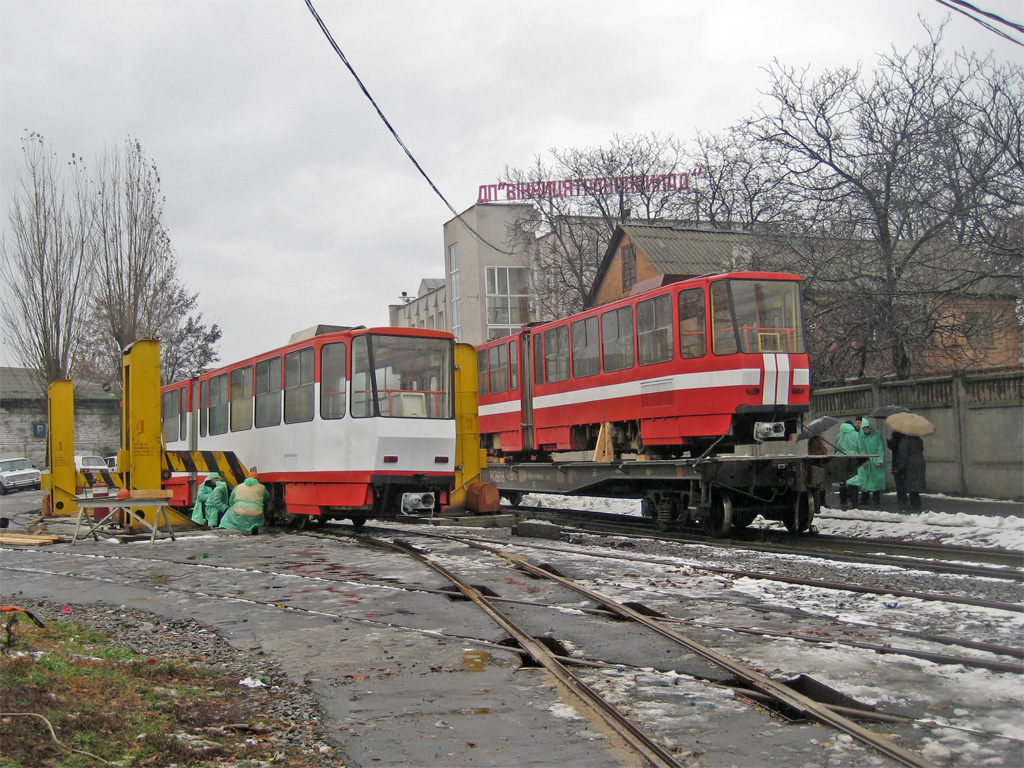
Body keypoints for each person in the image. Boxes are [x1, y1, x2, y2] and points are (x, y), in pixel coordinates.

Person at [855, 417, 886, 506]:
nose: (866, 430)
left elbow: (880, 448)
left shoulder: (877, 435)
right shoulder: (861, 436)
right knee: (865, 480)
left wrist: (879, 460)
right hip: (866, 460)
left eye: (867, 428)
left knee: (875, 480)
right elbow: (861, 449)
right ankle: (864, 499)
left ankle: (876, 498)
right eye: (864, 429)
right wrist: (863, 461)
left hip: (875, 460)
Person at [892, 431, 926, 511]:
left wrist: (901, 467)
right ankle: (916, 503)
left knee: (911, 484)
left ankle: (915, 504)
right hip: (920, 462)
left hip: (910, 463)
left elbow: (903, 454)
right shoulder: (918, 439)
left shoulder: (905, 441)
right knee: (916, 483)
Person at [834, 420, 862, 507]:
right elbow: (860, 447)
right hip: (853, 458)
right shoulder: (856, 435)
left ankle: (843, 501)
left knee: (842, 480)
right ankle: (854, 502)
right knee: (853, 479)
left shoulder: (839, 435)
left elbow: (836, 447)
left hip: (840, 458)